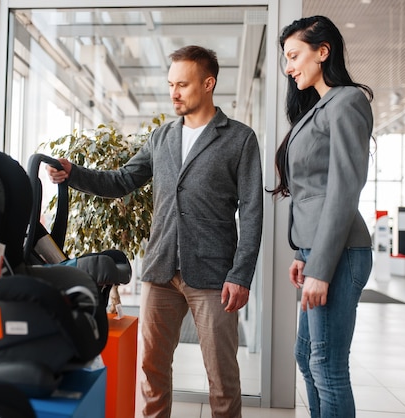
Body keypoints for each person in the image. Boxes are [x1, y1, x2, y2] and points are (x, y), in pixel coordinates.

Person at [47, 45, 263, 418]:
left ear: (208, 83)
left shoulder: (239, 139)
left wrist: (241, 274)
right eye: (170, 84)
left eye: (182, 84)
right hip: (161, 270)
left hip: (213, 276)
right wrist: (74, 173)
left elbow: (254, 212)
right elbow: (123, 180)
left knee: (222, 379)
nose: (174, 93)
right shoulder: (162, 137)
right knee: (151, 372)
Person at [272, 16, 374, 418]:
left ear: (323, 51)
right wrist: (302, 253)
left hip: (340, 251)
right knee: (307, 357)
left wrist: (321, 266)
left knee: (327, 366)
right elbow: (311, 190)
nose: (288, 67)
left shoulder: (347, 101)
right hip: (319, 249)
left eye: (294, 56)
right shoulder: (318, 108)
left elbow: (344, 188)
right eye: (286, 58)